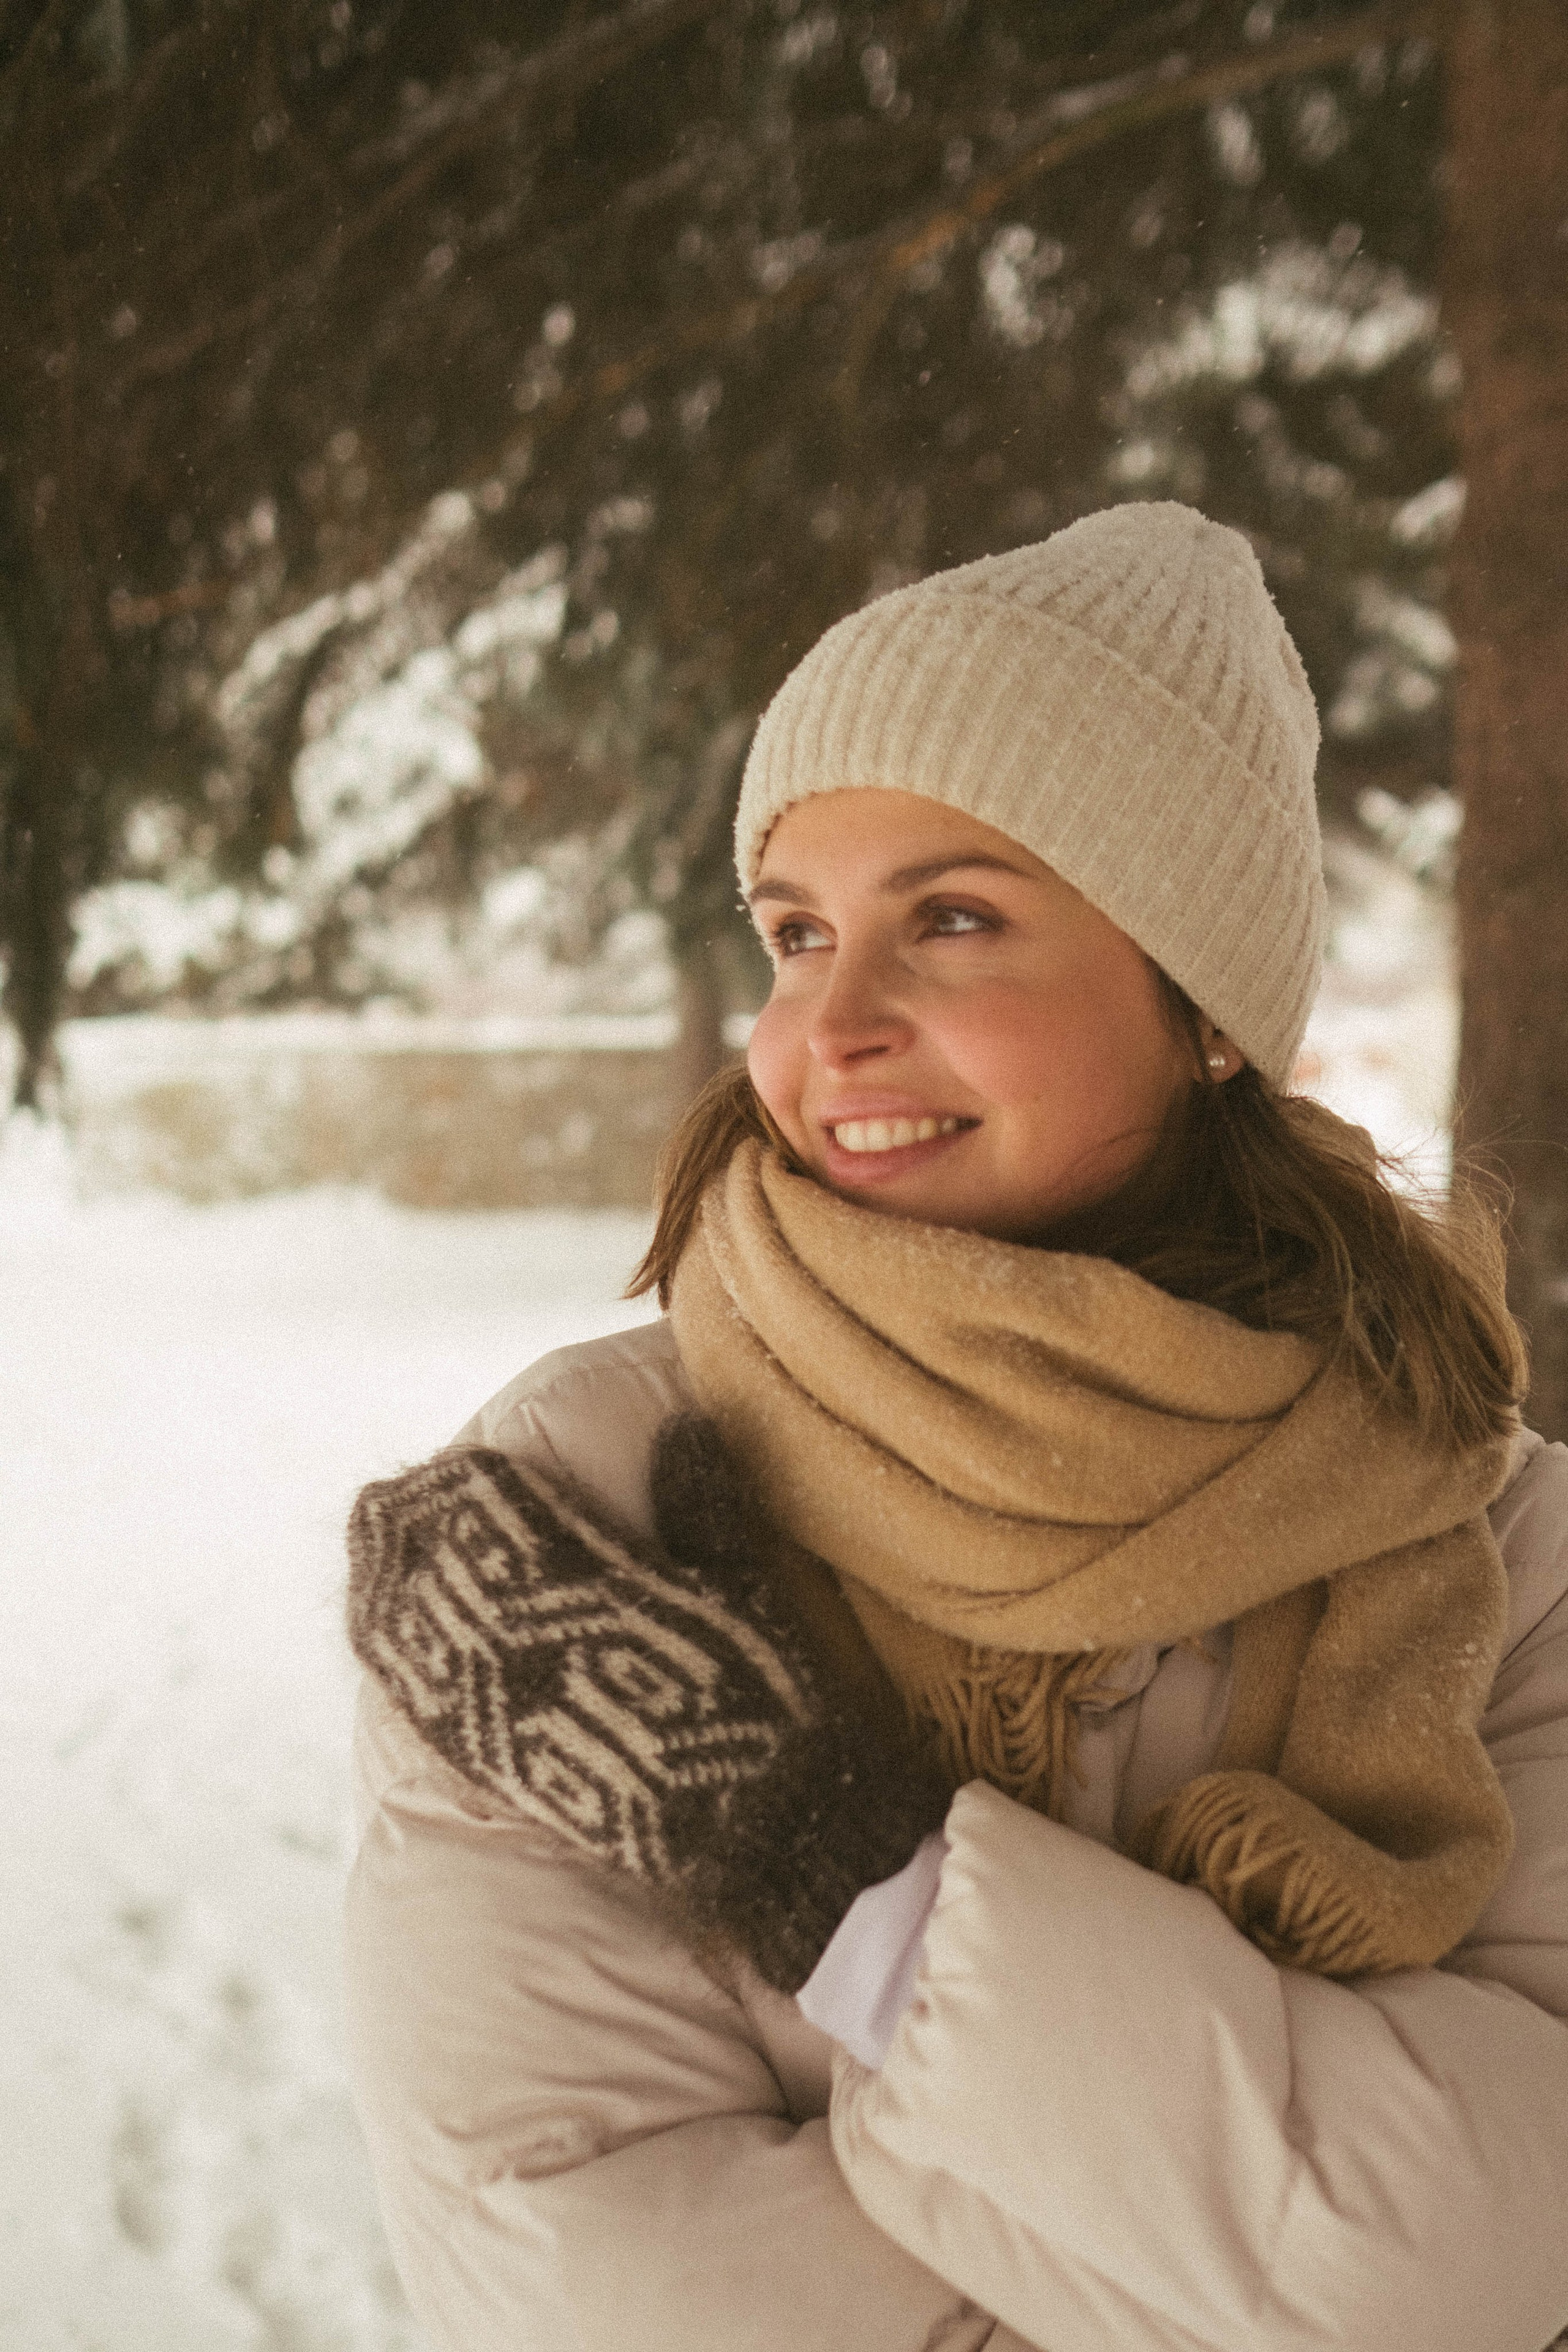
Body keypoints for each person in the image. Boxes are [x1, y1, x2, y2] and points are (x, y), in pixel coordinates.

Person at [341, 503, 1568, 2352]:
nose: (833, 1024)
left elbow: (1491, 2260)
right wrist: (1202, 2231)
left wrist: (862, 1895)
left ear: (1204, 1004)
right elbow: (605, 2298)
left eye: (958, 919)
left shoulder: (1504, 1547)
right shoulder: (567, 1521)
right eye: (797, 931)